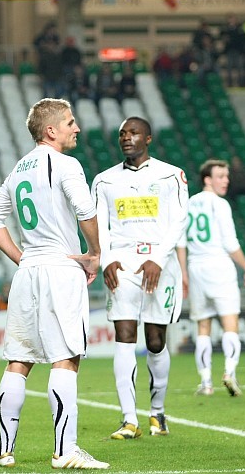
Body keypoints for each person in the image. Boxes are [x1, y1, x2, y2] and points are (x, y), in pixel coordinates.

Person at [0, 98, 109, 469]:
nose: (77, 128)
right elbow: (86, 210)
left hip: (28, 273)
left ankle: (4, 450)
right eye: (70, 122)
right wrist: (94, 253)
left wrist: (22, 258)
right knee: (65, 359)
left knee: (18, 361)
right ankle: (65, 451)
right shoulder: (66, 164)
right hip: (60, 269)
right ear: (51, 130)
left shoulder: (19, 169)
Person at [91, 117, 188, 440]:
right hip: (123, 265)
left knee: (156, 341)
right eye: (122, 134)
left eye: (133, 133)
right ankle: (129, 419)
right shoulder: (104, 180)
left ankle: (157, 411)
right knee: (124, 335)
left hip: (159, 264)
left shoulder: (171, 175)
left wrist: (158, 258)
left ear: (148, 138)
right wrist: (106, 258)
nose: (126, 138)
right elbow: (100, 224)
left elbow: (179, 221)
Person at [187, 159, 245, 396]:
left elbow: (180, 242)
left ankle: (206, 383)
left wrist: (184, 273)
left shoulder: (188, 203)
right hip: (218, 265)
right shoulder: (220, 204)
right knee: (230, 324)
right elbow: (230, 243)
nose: (226, 181)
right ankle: (229, 373)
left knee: (203, 327)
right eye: (220, 176)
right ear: (207, 179)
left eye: (227, 176)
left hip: (196, 267)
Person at [220, 14, 245, 87]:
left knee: (239, 67)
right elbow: (223, 37)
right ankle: (230, 83)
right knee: (229, 67)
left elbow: (242, 39)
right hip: (229, 50)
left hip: (238, 50)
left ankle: (241, 83)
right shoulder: (226, 29)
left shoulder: (239, 29)